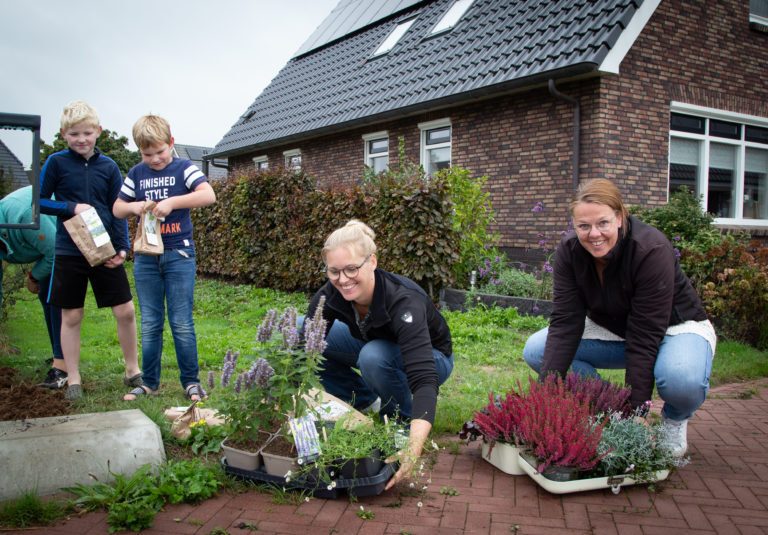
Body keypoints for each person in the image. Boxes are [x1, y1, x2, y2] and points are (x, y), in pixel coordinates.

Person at [523, 178, 716, 457]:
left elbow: (645, 334)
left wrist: (637, 409)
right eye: (583, 226)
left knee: (682, 380)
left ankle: (673, 418)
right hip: (615, 328)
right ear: (574, 225)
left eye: (603, 223)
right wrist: (543, 397)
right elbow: (566, 322)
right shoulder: (569, 252)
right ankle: (612, 405)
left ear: (620, 217)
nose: (594, 234)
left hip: (677, 327)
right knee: (536, 350)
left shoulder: (650, 250)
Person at [305, 220, 454, 489]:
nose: (343, 279)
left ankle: (400, 422)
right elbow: (301, 354)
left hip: (434, 358)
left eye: (352, 269)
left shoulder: (403, 300)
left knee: (373, 357)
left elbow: (424, 379)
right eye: (334, 271)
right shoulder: (329, 295)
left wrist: (414, 447)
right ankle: (368, 400)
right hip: (375, 345)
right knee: (304, 334)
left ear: (372, 261)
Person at [39, 101, 141, 400]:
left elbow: (117, 210)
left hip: (105, 249)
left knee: (125, 310)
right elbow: (40, 201)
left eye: (86, 133)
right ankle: (73, 377)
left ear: (98, 131)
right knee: (71, 315)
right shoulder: (56, 163)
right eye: (74, 134)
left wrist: (122, 248)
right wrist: (71, 207)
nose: (81, 139)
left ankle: (132, 370)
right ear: (63, 135)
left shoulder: (108, 166)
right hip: (70, 250)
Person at [113, 114, 216, 402]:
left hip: (179, 254)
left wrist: (172, 202)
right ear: (139, 151)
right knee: (151, 322)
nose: (156, 159)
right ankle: (149, 383)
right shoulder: (136, 174)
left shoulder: (184, 168)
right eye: (148, 154)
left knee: (181, 322)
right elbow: (117, 209)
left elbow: (208, 195)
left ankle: (191, 382)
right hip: (146, 258)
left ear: (171, 143)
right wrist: (135, 206)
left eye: (160, 151)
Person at [0, 186, 67, 387]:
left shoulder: (24, 219)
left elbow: (55, 253)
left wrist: (34, 277)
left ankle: (62, 363)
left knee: (54, 297)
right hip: (49, 246)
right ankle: (58, 354)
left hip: (65, 240)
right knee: (46, 297)